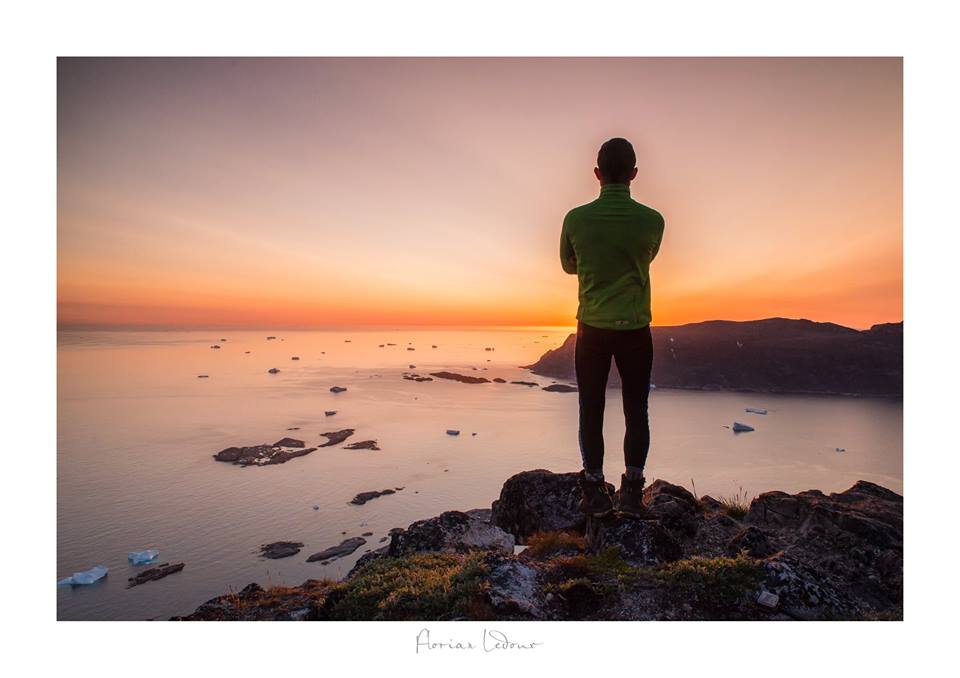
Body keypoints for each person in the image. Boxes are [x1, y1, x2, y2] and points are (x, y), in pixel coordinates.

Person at [559, 137, 665, 518]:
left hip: (591, 330)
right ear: (634, 174)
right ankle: (633, 496)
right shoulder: (653, 221)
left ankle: (594, 492)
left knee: (591, 408)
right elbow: (647, 257)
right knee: (636, 410)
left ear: (597, 174)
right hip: (636, 329)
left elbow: (569, 265)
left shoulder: (575, 219)